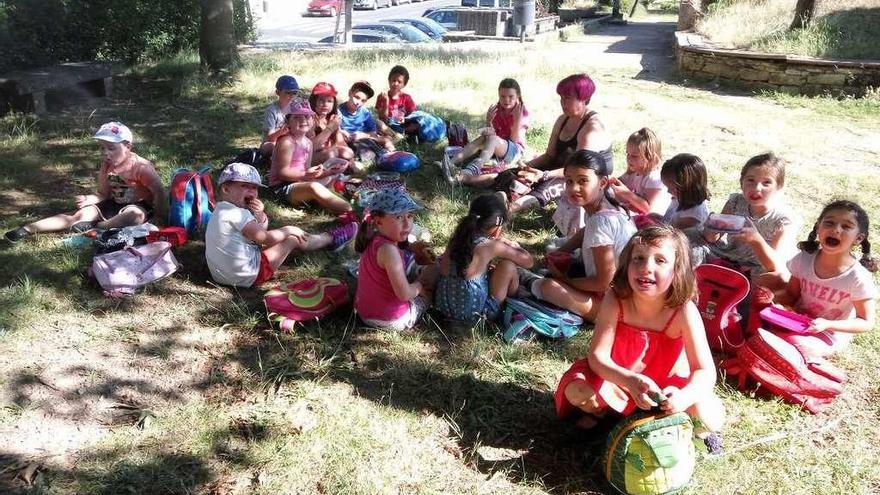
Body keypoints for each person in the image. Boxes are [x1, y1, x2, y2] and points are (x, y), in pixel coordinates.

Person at [554, 226, 725, 451]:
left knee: (706, 417)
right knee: (577, 391)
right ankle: (612, 417)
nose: (646, 268)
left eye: (660, 261)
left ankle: (670, 425)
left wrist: (683, 397)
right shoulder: (616, 298)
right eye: (638, 258)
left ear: (678, 270)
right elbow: (597, 357)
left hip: (665, 391)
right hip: (619, 380)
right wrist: (630, 381)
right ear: (626, 264)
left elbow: (705, 371)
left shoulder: (683, 311)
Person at [523, 150, 636, 321]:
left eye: (583, 181)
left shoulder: (600, 222)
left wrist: (565, 280)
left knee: (549, 287)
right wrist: (560, 252)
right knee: (565, 259)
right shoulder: (610, 209)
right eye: (569, 181)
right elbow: (585, 232)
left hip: (615, 308)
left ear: (602, 182)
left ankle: (527, 282)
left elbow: (604, 282)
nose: (574, 188)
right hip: (624, 297)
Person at [5, 122, 164, 242]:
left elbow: (159, 191)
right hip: (113, 204)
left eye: (111, 148)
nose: (106, 153)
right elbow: (103, 194)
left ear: (128, 146)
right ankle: (28, 229)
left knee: (134, 215)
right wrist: (89, 199)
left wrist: (159, 216)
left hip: (138, 206)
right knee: (78, 215)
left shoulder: (141, 167)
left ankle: (98, 227)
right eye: (103, 148)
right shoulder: (107, 166)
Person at [205, 163, 357, 288]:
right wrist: (289, 229)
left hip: (221, 276)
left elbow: (255, 238)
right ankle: (330, 239)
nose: (252, 191)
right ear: (226, 189)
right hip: (248, 276)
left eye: (255, 187)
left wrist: (259, 217)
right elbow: (265, 238)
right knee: (292, 238)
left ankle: (321, 240)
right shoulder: (238, 214)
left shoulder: (221, 210)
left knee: (281, 238)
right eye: (245, 186)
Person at [763, 200, 878, 359]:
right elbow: (791, 294)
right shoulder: (803, 259)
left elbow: (865, 322)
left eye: (846, 226)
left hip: (828, 334)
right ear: (818, 228)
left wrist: (827, 324)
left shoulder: (858, 278)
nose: (836, 230)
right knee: (758, 323)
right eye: (829, 223)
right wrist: (773, 299)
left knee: (794, 344)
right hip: (796, 321)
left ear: (858, 238)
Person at [504, 73, 614, 215]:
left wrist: (544, 175)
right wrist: (528, 165)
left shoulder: (591, 129)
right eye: (561, 98)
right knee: (510, 174)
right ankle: (472, 180)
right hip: (560, 169)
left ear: (584, 99)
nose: (562, 102)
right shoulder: (562, 119)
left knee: (546, 188)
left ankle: (507, 211)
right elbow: (550, 155)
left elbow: (577, 171)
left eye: (568, 98)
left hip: (581, 179)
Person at [434, 194, 534, 322]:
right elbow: (528, 262)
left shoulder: (456, 239)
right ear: (496, 227)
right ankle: (514, 301)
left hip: (444, 308)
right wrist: (512, 245)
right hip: (476, 316)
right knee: (507, 266)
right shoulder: (491, 246)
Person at [699, 152, 800, 279]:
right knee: (693, 241)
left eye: (766, 183)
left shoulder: (782, 220)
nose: (757, 188)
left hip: (759, 267)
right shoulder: (736, 202)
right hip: (730, 257)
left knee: (775, 278)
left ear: (778, 188)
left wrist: (755, 240)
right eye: (750, 180)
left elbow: (774, 266)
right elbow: (712, 239)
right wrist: (712, 227)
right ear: (742, 182)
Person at [354, 188, 434, 331]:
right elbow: (404, 294)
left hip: (364, 312)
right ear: (378, 222)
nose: (407, 224)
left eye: (410, 216)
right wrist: (419, 286)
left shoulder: (373, 238)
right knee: (431, 287)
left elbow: (399, 250)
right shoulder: (390, 251)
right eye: (398, 217)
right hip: (391, 319)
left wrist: (410, 248)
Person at [269, 100, 357, 221]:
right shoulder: (287, 142)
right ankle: (352, 211)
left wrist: (327, 172)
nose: (303, 120)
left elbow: (306, 170)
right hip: (282, 187)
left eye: (307, 116)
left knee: (332, 173)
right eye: (297, 117)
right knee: (314, 187)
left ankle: (326, 203)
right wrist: (306, 175)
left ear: (312, 120)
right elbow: (282, 174)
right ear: (288, 122)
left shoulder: (308, 143)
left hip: (300, 181)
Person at [440, 78, 530, 188]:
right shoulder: (499, 109)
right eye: (502, 96)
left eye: (511, 97)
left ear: (518, 96)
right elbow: (493, 133)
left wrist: (516, 121)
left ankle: (471, 170)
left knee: (492, 139)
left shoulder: (522, 112)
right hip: (498, 146)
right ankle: (451, 163)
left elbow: (514, 140)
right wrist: (489, 121)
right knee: (484, 138)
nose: (506, 100)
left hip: (515, 151)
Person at [609, 128, 670, 216]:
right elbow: (619, 182)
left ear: (650, 157)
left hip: (655, 222)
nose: (629, 158)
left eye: (634, 156)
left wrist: (627, 194)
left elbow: (648, 209)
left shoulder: (654, 178)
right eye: (627, 154)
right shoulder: (635, 172)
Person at [338, 80, 395, 152]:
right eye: (356, 97)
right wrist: (343, 133)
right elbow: (337, 132)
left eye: (363, 100)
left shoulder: (365, 112)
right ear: (350, 93)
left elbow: (373, 132)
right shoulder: (339, 111)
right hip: (349, 143)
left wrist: (361, 135)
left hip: (366, 138)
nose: (358, 102)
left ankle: (390, 155)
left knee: (387, 141)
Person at [307, 81, 354, 167]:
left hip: (326, 154)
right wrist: (330, 128)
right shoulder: (310, 119)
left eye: (329, 101)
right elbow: (310, 148)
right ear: (314, 101)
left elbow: (341, 142)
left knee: (347, 152)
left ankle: (340, 167)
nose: (325, 104)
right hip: (307, 157)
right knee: (332, 153)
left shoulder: (331, 118)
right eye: (321, 100)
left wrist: (353, 165)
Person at [659, 153, 710, 230]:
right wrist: (656, 218)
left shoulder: (693, 214)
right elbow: (669, 221)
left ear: (689, 186)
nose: (668, 191)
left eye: (672, 188)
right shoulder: (679, 198)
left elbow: (671, 232)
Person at [260, 75, 301, 157]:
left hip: (291, 140)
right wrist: (281, 132)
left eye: (295, 93)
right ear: (278, 92)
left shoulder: (296, 108)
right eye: (288, 92)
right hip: (273, 142)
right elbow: (270, 138)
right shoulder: (272, 110)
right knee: (269, 147)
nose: (292, 96)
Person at [375, 65, 417, 138]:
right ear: (389, 80)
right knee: (378, 123)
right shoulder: (382, 97)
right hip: (387, 126)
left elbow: (413, 116)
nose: (395, 84)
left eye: (399, 82)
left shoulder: (407, 98)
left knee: (417, 125)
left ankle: (401, 135)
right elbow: (383, 118)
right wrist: (386, 102)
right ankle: (398, 136)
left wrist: (405, 120)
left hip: (402, 125)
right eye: (393, 80)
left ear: (404, 84)